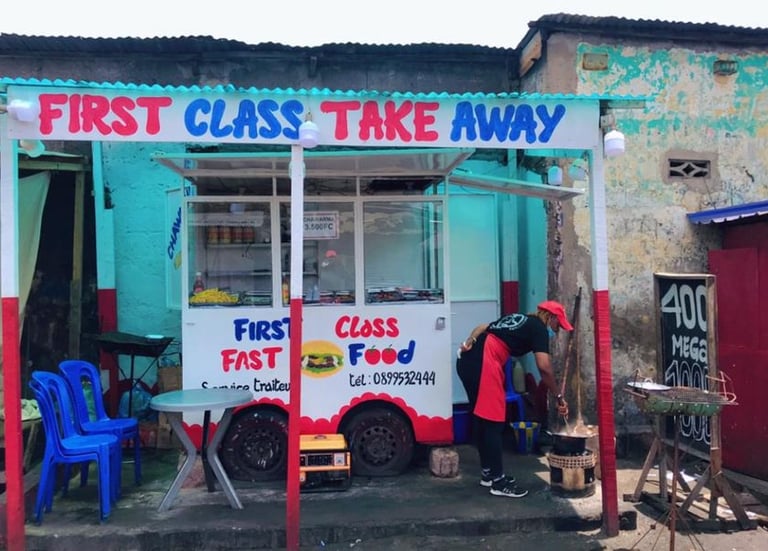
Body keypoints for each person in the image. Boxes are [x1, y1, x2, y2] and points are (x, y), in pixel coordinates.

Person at [456, 300, 572, 498]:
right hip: (485, 360)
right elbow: (544, 367)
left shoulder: (519, 319)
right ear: (551, 317)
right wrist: (558, 395)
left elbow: (482, 327)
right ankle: (498, 482)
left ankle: (488, 474)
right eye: (558, 324)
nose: (558, 329)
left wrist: (470, 341)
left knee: (483, 420)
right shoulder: (539, 328)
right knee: (493, 422)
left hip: (469, 361)